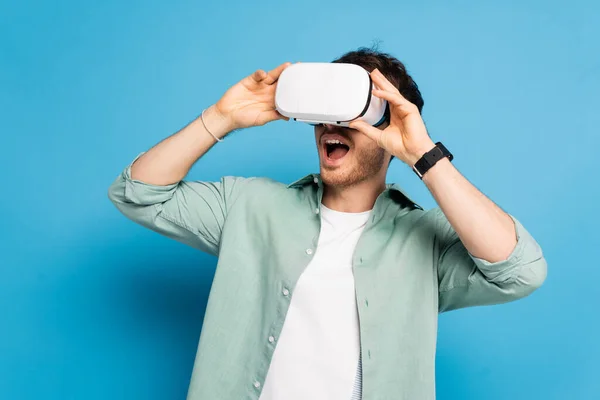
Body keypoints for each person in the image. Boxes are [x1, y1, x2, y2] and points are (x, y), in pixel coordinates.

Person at [108, 48, 547, 400]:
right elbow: (137, 193)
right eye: (326, 110)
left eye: (353, 110)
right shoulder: (250, 205)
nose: (332, 125)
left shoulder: (424, 240)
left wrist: (423, 154)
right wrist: (222, 117)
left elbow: (520, 270)